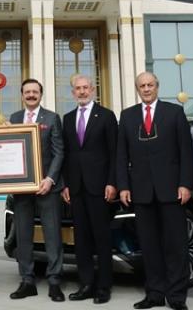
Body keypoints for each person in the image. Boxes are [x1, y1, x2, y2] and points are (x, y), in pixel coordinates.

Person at [116, 72, 193, 310]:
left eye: (150, 85)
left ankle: (177, 296)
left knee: (176, 245)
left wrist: (185, 184)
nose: (147, 89)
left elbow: (186, 152)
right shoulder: (127, 116)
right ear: (137, 89)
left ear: (157, 87)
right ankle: (155, 294)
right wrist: (123, 186)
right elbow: (121, 155)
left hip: (172, 190)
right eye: (142, 86)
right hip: (141, 192)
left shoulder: (174, 112)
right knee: (149, 246)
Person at [60, 74, 117, 305]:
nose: (82, 92)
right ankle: (86, 284)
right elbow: (65, 154)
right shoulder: (67, 118)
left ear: (93, 90)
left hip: (100, 187)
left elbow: (114, 153)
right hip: (76, 188)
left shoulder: (106, 116)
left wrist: (112, 182)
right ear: (73, 92)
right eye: (78, 88)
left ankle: (103, 286)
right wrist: (65, 184)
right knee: (81, 238)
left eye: (86, 88)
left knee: (101, 237)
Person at [8, 78, 66, 301]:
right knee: (23, 235)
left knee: (52, 235)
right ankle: (27, 280)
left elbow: (59, 152)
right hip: (22, 189)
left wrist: (50, 179)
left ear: (41, 94)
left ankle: (54, 281)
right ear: (22, 95)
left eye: (35, 91)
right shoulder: (14, 118)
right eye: (27, 92)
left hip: (47, 188)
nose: (31, 95)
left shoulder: (52, 118)